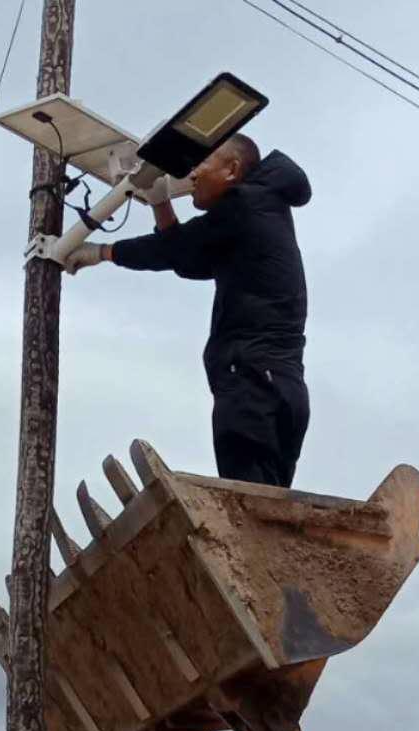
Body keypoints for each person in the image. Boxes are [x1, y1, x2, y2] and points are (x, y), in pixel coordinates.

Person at [65, 135, 312, 488]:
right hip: (279, 387)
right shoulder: (262, 211)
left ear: (231, 170)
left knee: (249, 506)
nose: (192, 173)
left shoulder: (244, 204)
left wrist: (102, 252)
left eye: (202, 163)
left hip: (252, 383)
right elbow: (188, 259)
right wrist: (159, 203)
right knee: (267, 507)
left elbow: (174, 249)